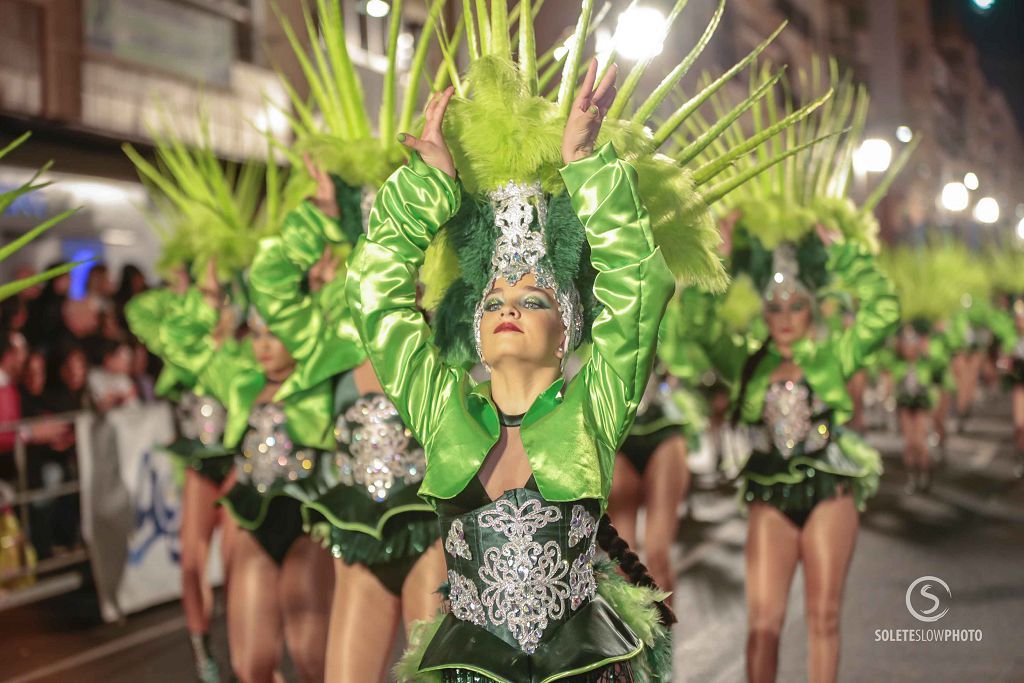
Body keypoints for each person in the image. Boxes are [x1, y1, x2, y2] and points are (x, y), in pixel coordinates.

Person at [680, 71, 904, 683]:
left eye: (795, 307)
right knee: (763, 623)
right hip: (770, 494)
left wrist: (844, 254)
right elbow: (697, 325)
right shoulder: (746, 358)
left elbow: (883, 309)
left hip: (830, 487)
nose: (782, 318)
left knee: (824, 619)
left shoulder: (835, 353)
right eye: (773, 308)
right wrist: (720, 254)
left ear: (812, 308)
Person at [258, 5, 451, 678]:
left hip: (434, 538)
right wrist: (317, 219)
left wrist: (441, 182)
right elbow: (270, 282)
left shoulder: (445, 342)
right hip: (360, 538)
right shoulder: (332, 338)